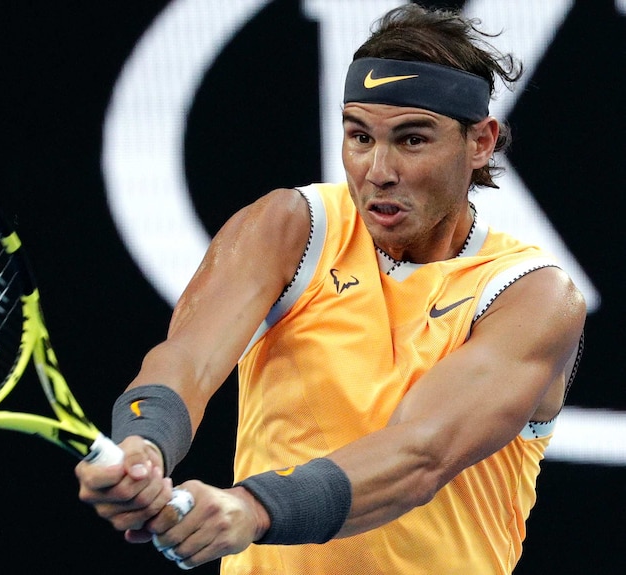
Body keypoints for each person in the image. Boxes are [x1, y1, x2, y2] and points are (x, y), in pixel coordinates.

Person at [75, 4, 586, 574]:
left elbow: (420, 454)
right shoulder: (290, 228)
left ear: (481, 142)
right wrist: (145, 443)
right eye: (359, 136)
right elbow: (186, 361)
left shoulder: (532, 295)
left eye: (412, 140)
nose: (377, 170)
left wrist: (252, 508)